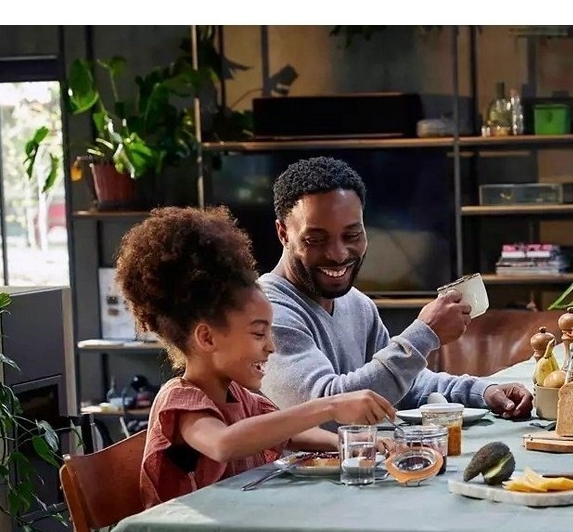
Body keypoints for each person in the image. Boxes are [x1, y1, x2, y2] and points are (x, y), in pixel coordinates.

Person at [115, 206, 396, 508]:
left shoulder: (240, 397)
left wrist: (356, 444)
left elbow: (290, 434)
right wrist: (330, 405)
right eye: (259, 334)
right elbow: (224, 443)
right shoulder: (181, 402)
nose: (271, 347)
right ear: (207, 338)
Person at [258, 156, 533, 420]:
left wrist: (483, 392)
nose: (338, 254)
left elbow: (401, 386)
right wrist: (424, 334)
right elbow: (324, 411)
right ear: (283, 233)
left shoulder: (357, 305)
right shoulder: (265, 312)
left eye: (352, 235)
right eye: (316, 240)